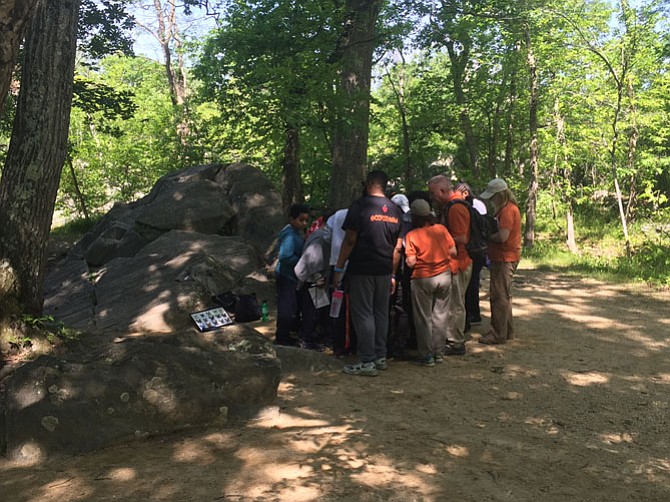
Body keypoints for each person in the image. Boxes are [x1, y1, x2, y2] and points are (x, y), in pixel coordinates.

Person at [334, 170, 403, 376]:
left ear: (371, 183)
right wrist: (392, 273)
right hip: (384, 270)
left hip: (362, 269)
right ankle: (380, 356)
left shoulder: (360, 206)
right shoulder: (395, 210)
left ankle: (367, 361)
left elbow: (350, 240)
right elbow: (397, 247)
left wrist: (339, 268)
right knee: (381, 313)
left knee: (363, 314)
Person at [404, 198, 457, 366]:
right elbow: (453, 251)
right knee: (440, 315)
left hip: (423, 278)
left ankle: (426, 355)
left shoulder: (412, 235)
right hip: (444, 276)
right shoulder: (441, 229)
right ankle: (438, 352)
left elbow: (411, 262)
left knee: (423, 317)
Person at [427, 175, 472, 356]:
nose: (432, 197)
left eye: (433, 193)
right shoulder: (449, 207)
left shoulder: (456, 208)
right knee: (451, 303)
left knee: (456, 304)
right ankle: (450, 338)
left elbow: (462, 238)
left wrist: (437, 240)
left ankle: (456, 342)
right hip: (453, 262)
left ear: (443, 190)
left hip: (459, 262)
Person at [478, 179, 521, 345]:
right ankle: (507, 331)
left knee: (499, 296)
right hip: (505, 256)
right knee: (504, 295)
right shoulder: (507, 209)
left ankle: (498, 334)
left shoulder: (507, 211)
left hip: (504, 257)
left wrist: (487, 237)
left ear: (499, 195)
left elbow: (503, 236)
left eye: (492, 197)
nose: (490, 200)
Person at [274, 203, 310, 346]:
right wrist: (302, 261)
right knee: (286, 308)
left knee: (291, 307)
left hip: (292, 276)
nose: (304, 223)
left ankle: (286, 334)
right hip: (286, 276)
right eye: (301, 220)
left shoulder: (296, 233)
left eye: (306, 220)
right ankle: (281, 337)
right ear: (292, 219)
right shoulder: (289, 234)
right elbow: (285, 256)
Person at [294, 225, 332, 351]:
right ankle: (305, 339)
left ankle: (312, 336)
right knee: (310, 311)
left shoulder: (324, 235)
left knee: (319, 310)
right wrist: (317, 277)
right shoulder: (321, 238)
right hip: (312, 280)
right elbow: (312, 260)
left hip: (317, 279)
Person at [455, 181, 487, 329]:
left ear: (465, 193)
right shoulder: (470, 205)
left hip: (474, 249)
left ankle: (473, 314)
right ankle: (471, 314)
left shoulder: (475, 205)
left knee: (472, 283)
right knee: (471, 283)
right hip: (476, 248)